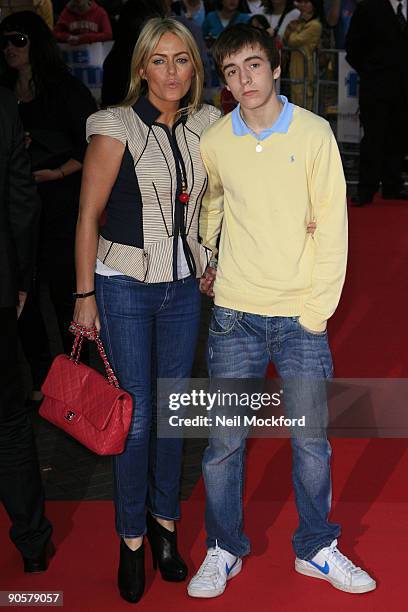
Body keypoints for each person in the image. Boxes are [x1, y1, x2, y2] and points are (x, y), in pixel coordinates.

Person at [187, 23, 376, 598]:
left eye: (252, 66)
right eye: (230, 72)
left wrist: (315, 313)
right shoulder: (216, 140)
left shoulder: (315, 135)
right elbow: (211, 199)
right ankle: (224, 547)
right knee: (223, 444)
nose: (243, 80)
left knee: (312, 442)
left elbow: (334, 227)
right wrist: (208, 252)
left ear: (274, 66)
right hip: (235, 315)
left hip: (299, 320)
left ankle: (316, 548)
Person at [73, 16, 221, 604]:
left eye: (181, 59)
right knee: (133, 420)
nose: (171, 72)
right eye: (158, 60)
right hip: (124, 288)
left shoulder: (207, 126)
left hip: (183, 289)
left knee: (171, 413)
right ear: (140, 67)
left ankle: (166, 528)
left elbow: (215, 201)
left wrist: (210, 255)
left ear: (194, 66)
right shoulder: (114, 128)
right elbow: (87, 217)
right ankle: (131, 538)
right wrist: (85, 296)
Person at [0, 11, 97, 401]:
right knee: (24, 292)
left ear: (35, 43)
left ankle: (80, 381)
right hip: (19, 207)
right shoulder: (5, 93)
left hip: (60, 203)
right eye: (4, 41)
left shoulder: (63, 89)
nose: (9, 48)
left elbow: (92, 143)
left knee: (64, 294)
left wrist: (56, 172)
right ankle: (43, 380)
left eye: (18, 40)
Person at [0, 87, 54, 574]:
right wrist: (19, 281)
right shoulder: (2, 103)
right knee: (8, 420)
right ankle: (33, 544)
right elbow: (22, 200)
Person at [346, 0, 408, 205]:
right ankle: (366, 189)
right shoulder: (369, 7)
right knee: (373, 137)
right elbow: (352, 46)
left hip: (404, 88)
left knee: (399, 136)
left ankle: (393, 185)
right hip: (376, 86)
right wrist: (371, 71)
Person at [283, 0, 323, 110]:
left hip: (306, 66)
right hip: (295, 65)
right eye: (301, 2)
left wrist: (294, 30)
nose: (303, 5)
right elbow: (285, 39)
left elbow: (293, 41)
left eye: (307, 2)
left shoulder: (315, 25)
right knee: (295, 96)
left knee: (304, 97)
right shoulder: (301, 23)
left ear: (314, 6)